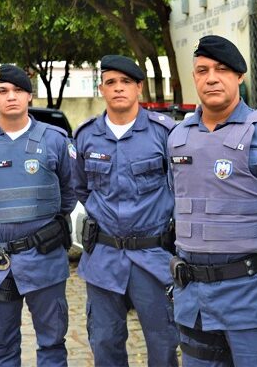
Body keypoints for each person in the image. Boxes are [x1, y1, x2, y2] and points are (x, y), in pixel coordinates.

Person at [168, 35, 257, 366]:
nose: (211, 78)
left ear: (239, 76)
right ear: (194, 77)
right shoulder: (177, 137)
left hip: (250, 298)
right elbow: (175, 200)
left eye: (221, 69)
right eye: (202, 70)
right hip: (194, 300)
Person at [0, 64, 77, 366]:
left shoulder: (55, 140)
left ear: (29, 96)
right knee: (3, 349)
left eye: (18, 90)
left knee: (52, 344)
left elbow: (69, 193)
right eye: (3, 91)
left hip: (45, 261)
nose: (11, 96)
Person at [71, 55, 179, 366]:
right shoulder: (86, 135)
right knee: (105, 342)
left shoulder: (165, 133)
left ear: (139, 87)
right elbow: (81, 187)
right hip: (103, 259)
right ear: (101, 89)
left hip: (152, 259)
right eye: (111, 82)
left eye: (126, 82)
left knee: (163, 344)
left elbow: (179, 188)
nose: (119, 88)